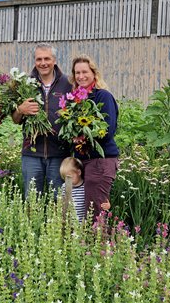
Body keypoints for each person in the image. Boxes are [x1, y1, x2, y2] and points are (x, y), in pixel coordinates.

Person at [12, 43, 72, 198]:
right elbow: (15, 120)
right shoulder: (24, 84)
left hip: (59, 153)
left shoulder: (68, 84)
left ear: (54, 60)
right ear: (34, 61)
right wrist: (20, 110)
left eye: (47, 58)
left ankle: (58, 224)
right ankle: (31, 224)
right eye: (39, 59)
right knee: (31, 201)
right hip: (32, 153)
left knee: (58, 201)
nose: (43, 63)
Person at [70, 54, 119, 220]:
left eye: (85, 72)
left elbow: (108, 129)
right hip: (84, 160)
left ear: (94, 73)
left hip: (100, 160)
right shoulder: (76, 100)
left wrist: (82, 138)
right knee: (85, 210)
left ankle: (99, 245)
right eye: (77, 73)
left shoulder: (102, 96)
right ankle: (88, 244)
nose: (81, 76)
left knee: (95, 212)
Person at [59, 157, 110, 222]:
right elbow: (62, 203)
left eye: (70, 177)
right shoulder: (65, 187)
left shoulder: (86, 186)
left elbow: (100, 199)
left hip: (83, 223)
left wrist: (107, 205)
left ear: (79, 172)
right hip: (70, 224)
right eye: (65, 178)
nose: (68, 180)